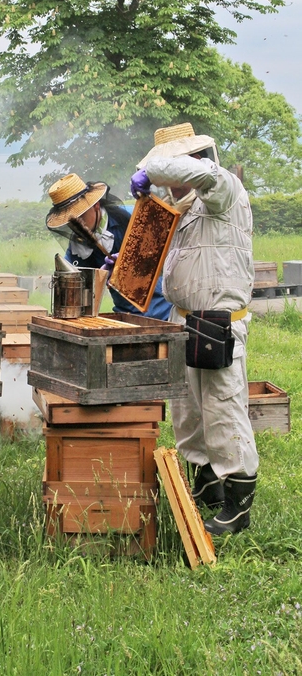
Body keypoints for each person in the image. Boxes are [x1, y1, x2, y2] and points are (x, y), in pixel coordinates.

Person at [131, 122, 258, 535]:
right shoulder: (184, 208)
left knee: (222, 409)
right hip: (183, 319)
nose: (170, 185)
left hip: (218, 322)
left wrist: (151, 171)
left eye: (171, 169)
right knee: (188, 411)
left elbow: (196, 174)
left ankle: (238, 506)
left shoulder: (225, 190)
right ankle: (207, 485)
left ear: (193, 161)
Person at [45, 173, 171, 319]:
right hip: (127, 314)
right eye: (71, 221)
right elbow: (71, 287)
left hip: (166, 309)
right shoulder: (78, 249)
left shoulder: (133, 217)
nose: (76, 224)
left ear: (96, 205)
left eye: (80, 215)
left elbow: (169, 253)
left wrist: (132, 260)